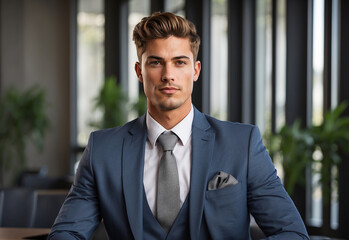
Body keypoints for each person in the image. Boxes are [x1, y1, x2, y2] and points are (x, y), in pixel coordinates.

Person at [49, 12, 309, 240]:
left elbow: (292, 233)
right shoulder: (102, 150)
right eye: (156, 62)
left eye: (179, 62)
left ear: (195, 71)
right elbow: (66, 233)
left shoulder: (242, 144)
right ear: (140, 72)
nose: (168, 75)